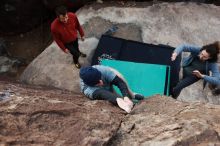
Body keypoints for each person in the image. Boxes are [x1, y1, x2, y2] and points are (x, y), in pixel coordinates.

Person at [79, 65, 144, 113]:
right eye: (97, 83)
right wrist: (118, 100)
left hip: (106, 79)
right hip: (102, 91)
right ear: (91, 85)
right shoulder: (87, 89)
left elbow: (119, 82)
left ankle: (132, 95)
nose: (101, 82)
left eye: (100, 78)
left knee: (119, 77)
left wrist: (126, 96)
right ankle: (123, 99)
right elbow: (103, 94)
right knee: (115, 96)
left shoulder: (101, 69)